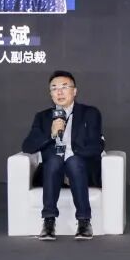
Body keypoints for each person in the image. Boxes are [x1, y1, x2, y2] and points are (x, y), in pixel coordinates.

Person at [22, 70, 104, 241]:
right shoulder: (43, 117)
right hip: (53, 170)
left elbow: (97, 146)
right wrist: (50, 134)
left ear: (74, 91)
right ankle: (49, 222)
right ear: (50, 94)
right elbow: (27, 146)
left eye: (64, 87)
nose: (59, 92)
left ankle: (84, 222)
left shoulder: (90, 113)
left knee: (73, 162)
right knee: (54, 161)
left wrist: (72, 155)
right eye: (54, 88)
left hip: (81, 168)